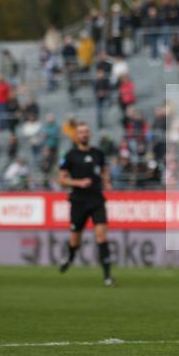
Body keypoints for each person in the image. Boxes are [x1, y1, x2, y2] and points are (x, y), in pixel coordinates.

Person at [57, 122, 114, 286]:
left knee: (101, 236)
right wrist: (78, 182)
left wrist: (106, 181)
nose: (84, 134)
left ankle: (107, 277)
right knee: (75, 241)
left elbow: (104, 170)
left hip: (96, 199)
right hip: (78, 201)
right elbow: (61, 179)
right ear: (76, 135)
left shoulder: (98, 153)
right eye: (81, 132)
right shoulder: (70, 155)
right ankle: (69, 256)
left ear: (89, 134)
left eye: (86, 132)